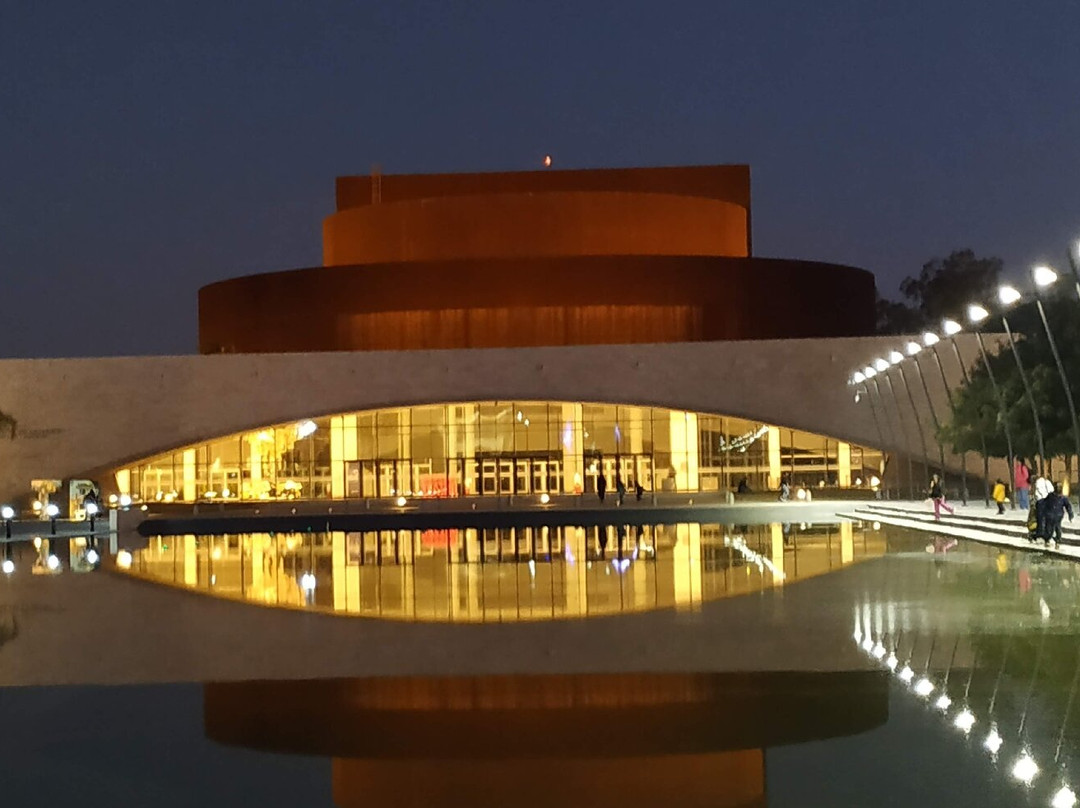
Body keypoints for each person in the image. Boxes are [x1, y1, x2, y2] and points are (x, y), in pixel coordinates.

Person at [1033, 472, 1055, 541]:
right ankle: (1047, 533)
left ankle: (1040, 533)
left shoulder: (1038, 482)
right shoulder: (1047, 482)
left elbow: (1038, 491)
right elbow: (1052, 490)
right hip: (1048, 501)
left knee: (1040, 518)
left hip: (1041, 501)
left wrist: (1042, 496)